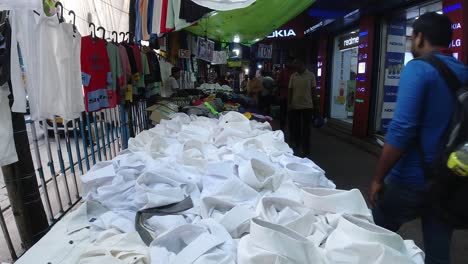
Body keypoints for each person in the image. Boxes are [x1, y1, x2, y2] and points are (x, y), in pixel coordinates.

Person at [368, 12, 468, 264]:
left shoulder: (418, 69)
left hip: (411, 179)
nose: (412, 43)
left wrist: (378, 178)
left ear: (420, 38)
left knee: (374, 236)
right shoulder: (463, 72)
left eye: (413, 38)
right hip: (447, 180)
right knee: (438, 250)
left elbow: (402, 129)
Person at [288, 60, 317, 157]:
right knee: (296, 127)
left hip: (308, 106)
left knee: (306, 129)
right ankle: (296, 144)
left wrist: (316, 105)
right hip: (295, 106)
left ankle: (306, 149)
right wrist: (289, 103)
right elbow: (290, 90)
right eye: (296, 64)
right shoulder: (293, 76)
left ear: (303, 64)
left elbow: (313, 91)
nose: (297, 66)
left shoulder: (311, 75)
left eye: (298, 64)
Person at [277, 62, 294, 131]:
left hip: (293, 97)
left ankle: (291, 130)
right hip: (284, 96)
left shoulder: (294, 71)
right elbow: (278, 83)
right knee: (283, 114)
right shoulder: (283, 71)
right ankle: (282, 129)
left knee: (291, 115)